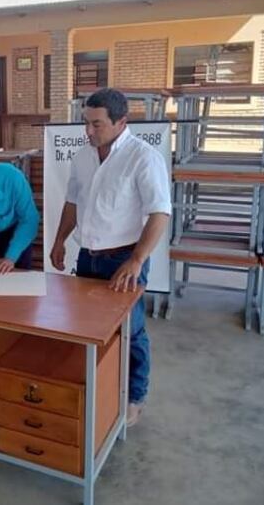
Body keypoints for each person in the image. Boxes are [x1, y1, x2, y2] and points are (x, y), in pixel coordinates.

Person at [50, 88, 170, 428]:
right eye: (86, 123)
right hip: (88, 258)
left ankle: (134, 396)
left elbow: (160, 213)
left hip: (124, 263)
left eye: (97, 125)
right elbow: (73, 201)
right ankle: (98, 388)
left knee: (130, 332)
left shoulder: (143, 158)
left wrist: (137, 260)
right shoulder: (83, 156)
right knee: (87, 329)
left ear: (121, 122)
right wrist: (59, 240)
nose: (88, 132)